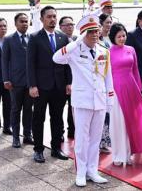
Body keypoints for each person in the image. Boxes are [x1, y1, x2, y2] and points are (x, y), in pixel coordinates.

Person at [53, 15, 113, 187]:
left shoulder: (104, 51)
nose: (95, 35)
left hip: (100, 100)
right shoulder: (74, 51)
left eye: (96, 31)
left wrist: (110, 100)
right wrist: (75, 43)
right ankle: (80, 172)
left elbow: (108, 77)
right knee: (81, 138)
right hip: (82, 101)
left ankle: (92, 170)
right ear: (83, 34)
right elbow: (56, 58)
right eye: (90, 32)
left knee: (95, 138)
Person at [27, 6, 71, 163]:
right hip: (41, 86)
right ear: (42, 19)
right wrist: (32, 85)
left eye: (54, 16)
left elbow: (67, 63)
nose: (52, 19)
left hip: (59, 86)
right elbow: (30, 64)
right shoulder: (34, 38)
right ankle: (38, 150)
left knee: (58, 118)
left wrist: (68, 83)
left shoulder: (62, 37)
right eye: (49, 17)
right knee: (39, 118)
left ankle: (56, 148)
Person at [108, 23, 142, 166]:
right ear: (112, 37)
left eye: (124, 35)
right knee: (119, 122)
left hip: (132, 88)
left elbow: (135, 70)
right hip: (116, 90)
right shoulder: (108, 52)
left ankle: (133, 150)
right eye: (119, 36)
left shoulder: (131, 49)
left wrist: (140, 89)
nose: (122, 38)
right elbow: (106, 74)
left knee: (136, 120)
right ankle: (119, 154)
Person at [2, 13, 34, 148]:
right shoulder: (9, 39)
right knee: (15, 110)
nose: (25, 24)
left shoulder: (32, 38)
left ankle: (27, 135)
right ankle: (15, 137)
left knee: (28, 110)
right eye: (22, 21)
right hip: (15, 82)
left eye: (26, 21)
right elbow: (4, 61)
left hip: (30, 82)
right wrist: (6, 79)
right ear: (16, 24)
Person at [59, 16, 77, 139]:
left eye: (72, 24)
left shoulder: (77, 40)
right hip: (61, 80)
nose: (70, 27)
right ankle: (60, 132)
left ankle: (73, 131)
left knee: (74, 108)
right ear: (60, 27)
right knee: (58, 109)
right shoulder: (58, 39)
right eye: (67, 25)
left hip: (76, 80)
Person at [98, 13, 113, 153]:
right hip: (96, 82)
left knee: (106, 114)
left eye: (110, 22)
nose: (109, 25)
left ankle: (103, 141)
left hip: (106, 81)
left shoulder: (107, 42)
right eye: (107, 22)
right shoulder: (93, 42)